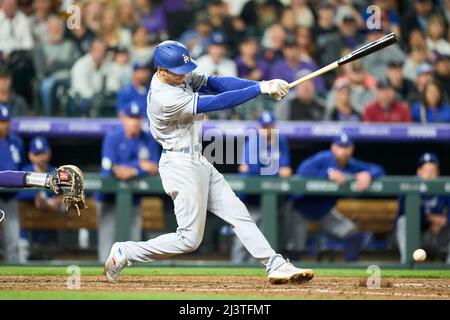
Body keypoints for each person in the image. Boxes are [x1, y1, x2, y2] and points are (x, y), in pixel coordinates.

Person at [104, 40, 314, 285]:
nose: (185, 75)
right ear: (161, 72)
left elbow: (217, 84)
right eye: (178, 72)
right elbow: (216, 102)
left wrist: (262, 84)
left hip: (197, 158)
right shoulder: (165, 98)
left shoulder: (175, 74)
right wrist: (260, 91)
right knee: (189, 240)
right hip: (179, 164)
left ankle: (274, 263)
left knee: (238, 212)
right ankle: (125, 252)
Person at [286, 134, 385, 261]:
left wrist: (368, 174)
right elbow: (302, 170)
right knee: (295, 247)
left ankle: (351, 270)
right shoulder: (324, 158)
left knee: (351, 233)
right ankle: (292, 272)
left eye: (347, 147)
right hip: (301, 209)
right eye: (340, 147)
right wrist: (327, 174)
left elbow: (378, 169)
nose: (343, 151)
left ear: (352, 149)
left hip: (325, 212)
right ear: (333, 147)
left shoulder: (350, 164)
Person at [95, 102, 161, 262]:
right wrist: (139, 165)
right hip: (108, 199)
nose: (135, 121)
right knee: (107, 243)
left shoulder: (148, 139)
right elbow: (110, 168)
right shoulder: (113, 137)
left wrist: (132, 170)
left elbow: (155, 167)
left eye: (138, 117)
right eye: (131, 117)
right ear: (123, 118)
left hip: (134, 200)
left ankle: (131, 281)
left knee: (133, 243)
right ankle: (104, 279)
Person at [231, 111, 292, 263]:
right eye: (265, 127)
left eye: (270, 126)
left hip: (270, 202)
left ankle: (255, 273)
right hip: (250, 199)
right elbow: (251, 170)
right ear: (259, 127)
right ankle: (234, 269)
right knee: (244, 238)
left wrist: (272, 169)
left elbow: (286, 169)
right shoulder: (253, 141)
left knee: (264, 239)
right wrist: (276, 170)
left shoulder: (281, 141)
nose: (268, 130)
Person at [396, 153, 450, 264]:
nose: (429, 174)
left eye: (433, 170)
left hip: (437, 234)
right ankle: (407, 264)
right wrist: (431, 219)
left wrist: (446, 220)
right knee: (403, 221)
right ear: (419, 172)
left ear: (438, 173)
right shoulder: (409, 187)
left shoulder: (444, 188)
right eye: (426, 170)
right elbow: (403, 212)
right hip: (414, 236)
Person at [16, 136, 62, 263]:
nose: (41, 157)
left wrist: (61, 199)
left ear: (49, 153)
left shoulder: (56, 173)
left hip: (49, 234)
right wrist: (35, 197)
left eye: (43, 152)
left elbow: (78, 191)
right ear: (30, 155)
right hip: (25, 235)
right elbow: (15, 194)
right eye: (37, 153)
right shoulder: (24, 172)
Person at [33, 15, 80, 116]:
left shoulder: (71, 45)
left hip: (69, 79)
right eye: (53, 28)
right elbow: (41, 69)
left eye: (59, 28)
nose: (56, 30)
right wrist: (65, 63)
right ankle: (48, 116)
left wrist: (55, 63)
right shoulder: (40, 47)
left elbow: (77, 64)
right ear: (48, 29)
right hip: (50, 78)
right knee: (46, 86)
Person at [0, 103, 25, 262]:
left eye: (6, 121)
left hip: (11, 198)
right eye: (1, 121)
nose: (4, 125)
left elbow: (21, 169)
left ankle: (11, 280)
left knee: (12, 243)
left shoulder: (17, 142)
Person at [68, 39, 109, 116]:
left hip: (99, 97)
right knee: (88, 102)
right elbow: (82, 88)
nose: (99, 53)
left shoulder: (106, 64)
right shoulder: (81, 64)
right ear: (91, 50)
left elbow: (112, 83)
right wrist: (96, 97)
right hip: (80, 99)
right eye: (96, 50)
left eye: (102, 50)